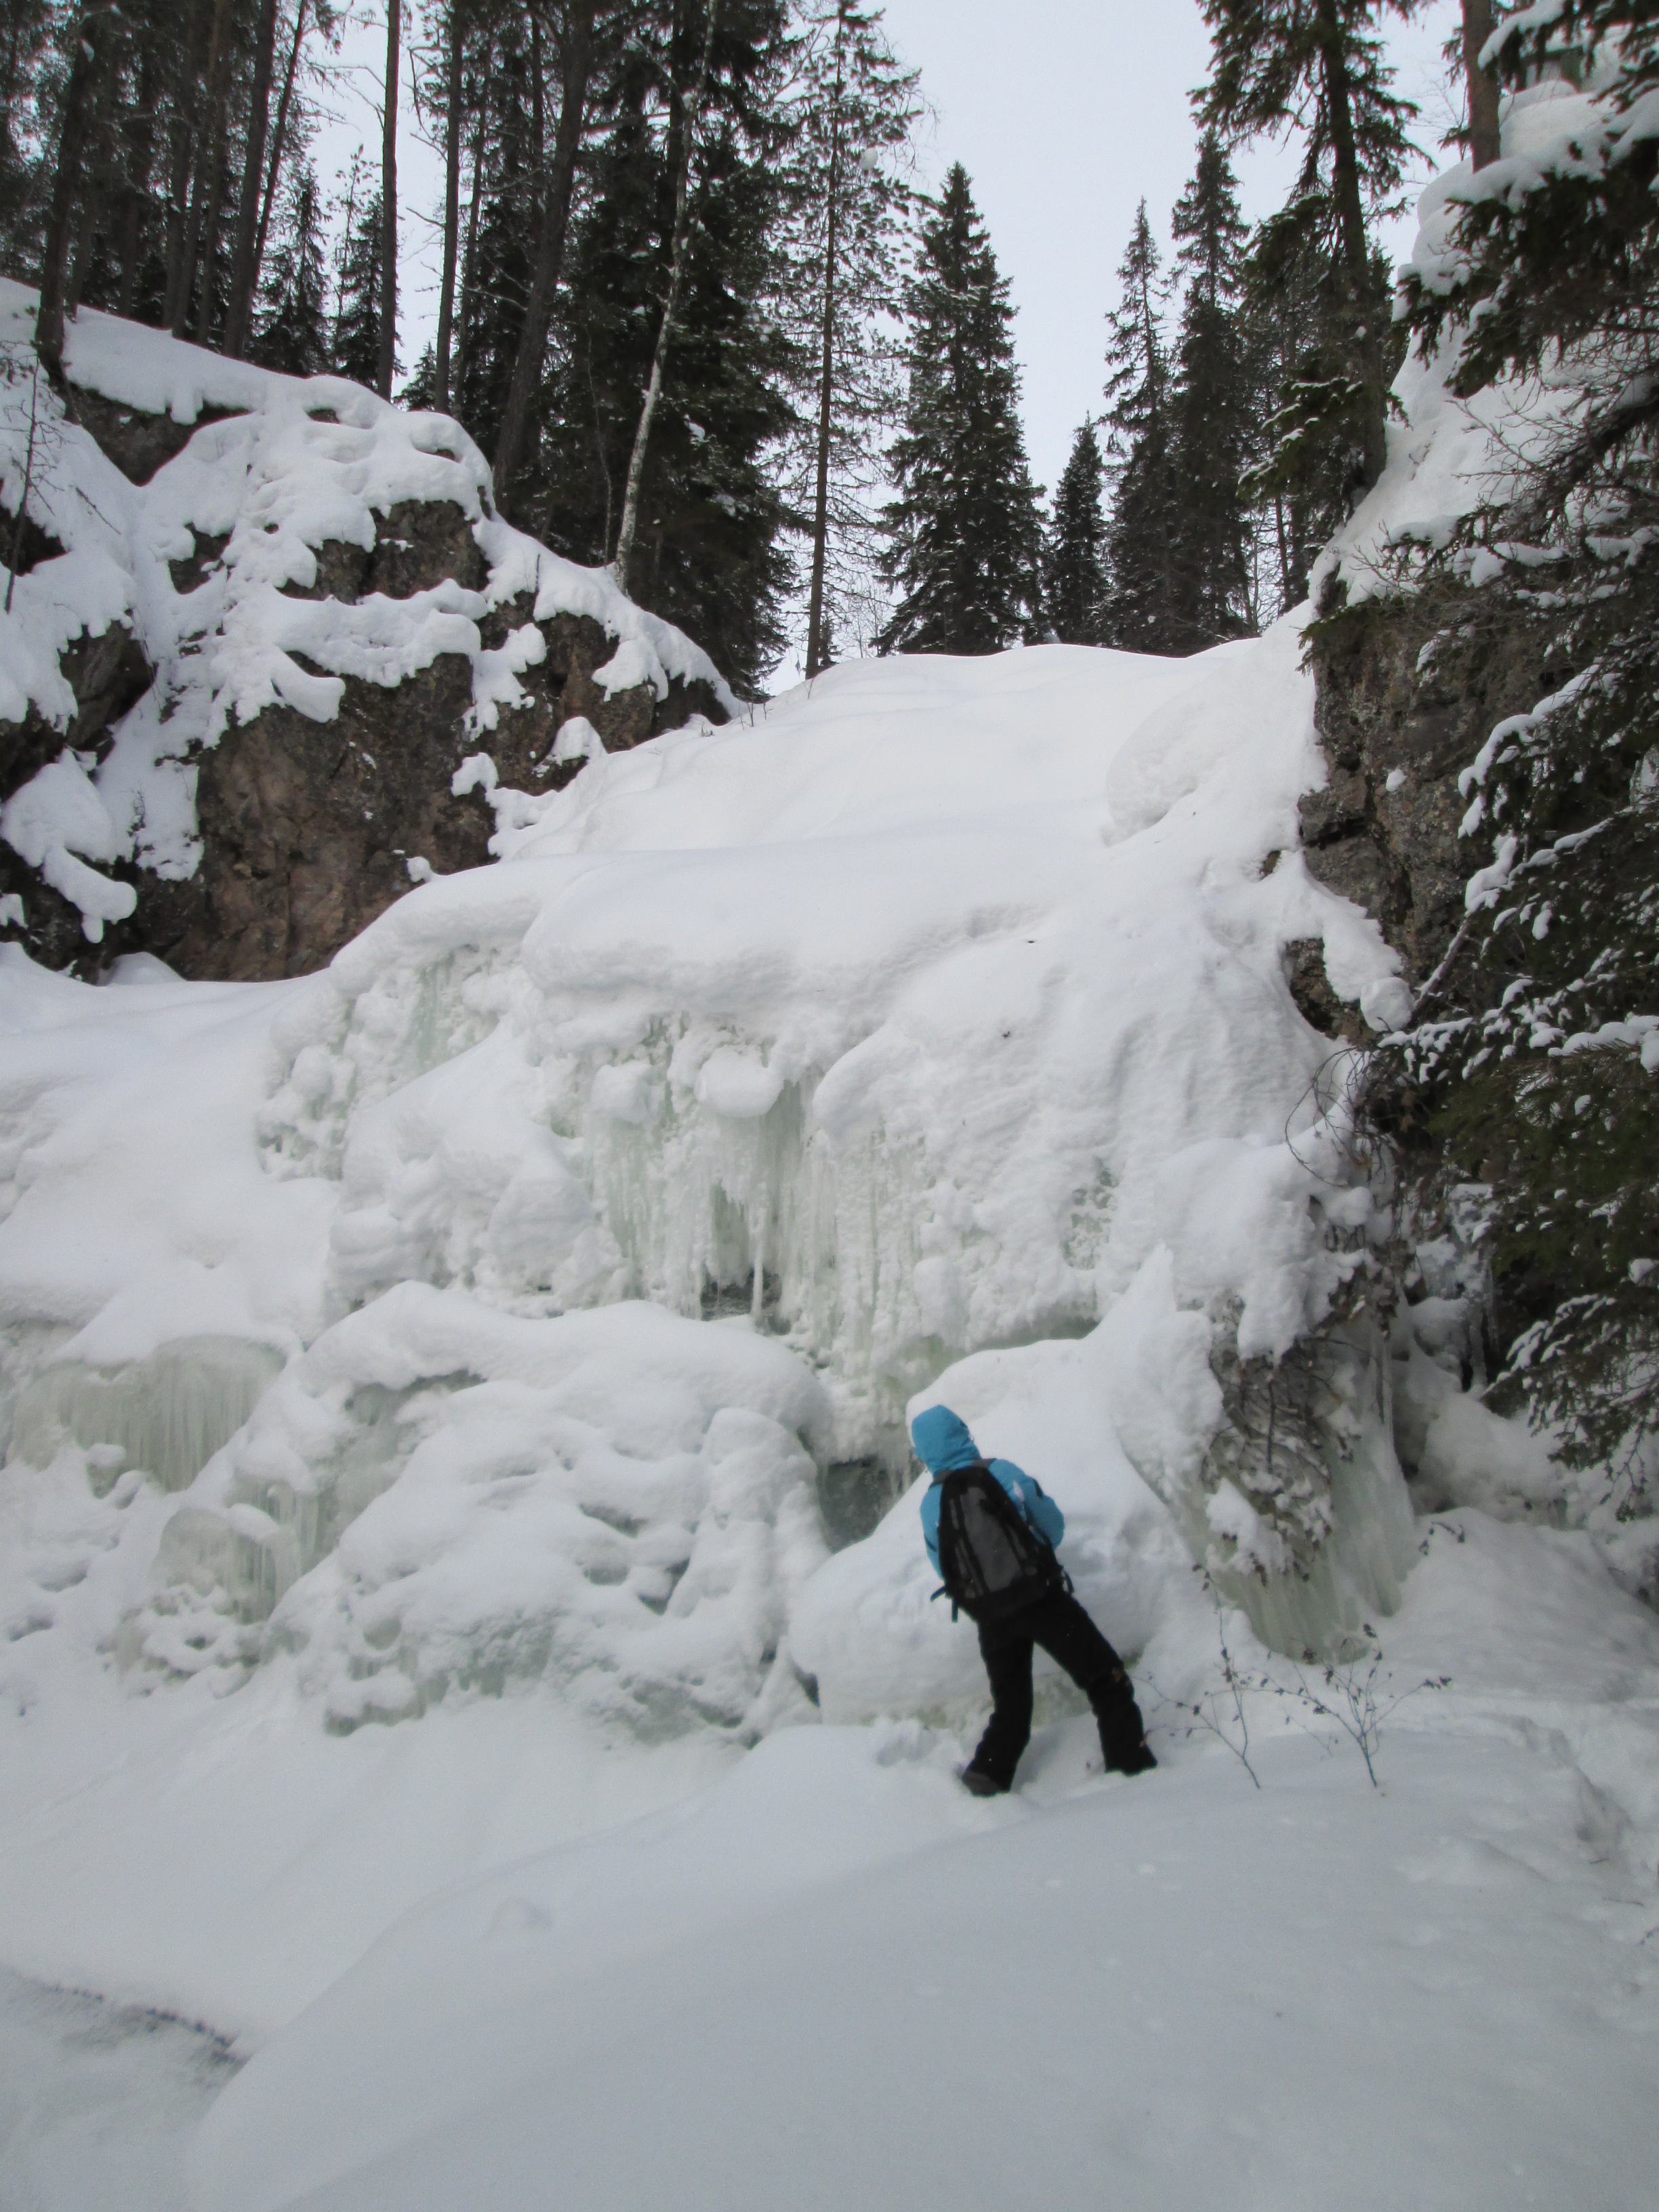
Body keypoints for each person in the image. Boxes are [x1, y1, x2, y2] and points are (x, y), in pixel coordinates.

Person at [912, 1404, 1155, 1795]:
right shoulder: (1001, 1473)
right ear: (962, 1433)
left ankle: (983, 1783)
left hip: (992, 1619)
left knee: (1011, 1710)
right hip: (1042, 1601)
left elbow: (946, 1571)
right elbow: (1053, 1527)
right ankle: (1133, 1771)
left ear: (924, 1452)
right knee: (1105, 1680)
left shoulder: (930, 1505)